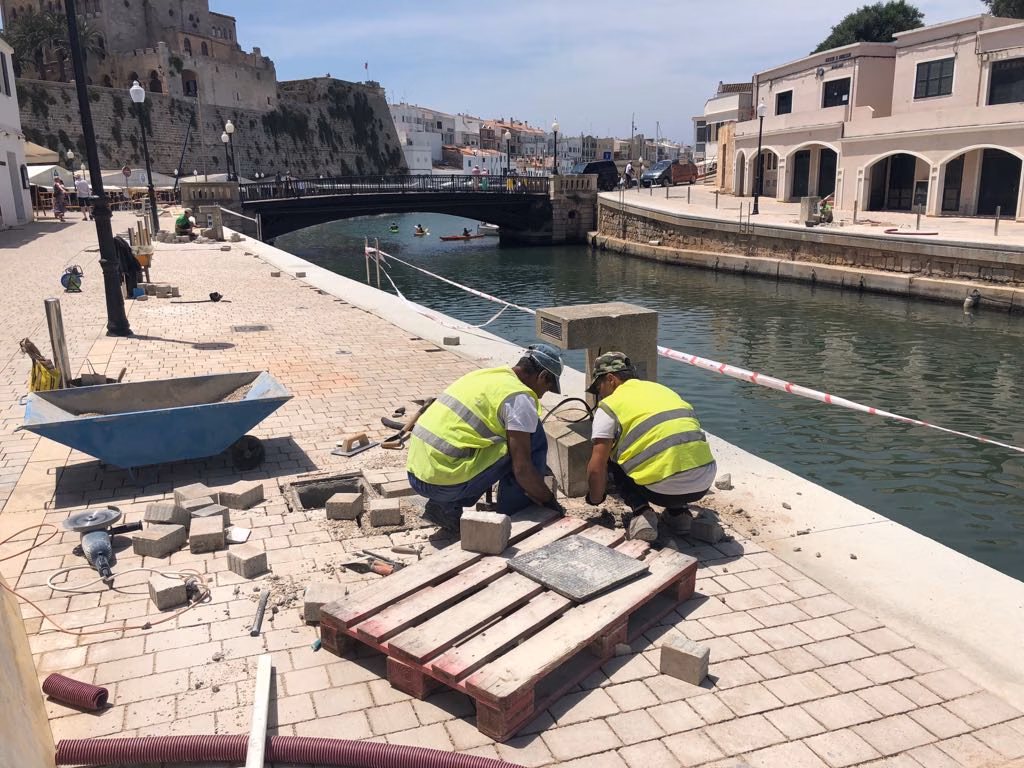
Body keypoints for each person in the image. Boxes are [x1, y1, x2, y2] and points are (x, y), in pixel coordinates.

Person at [407, 343, 566, 533]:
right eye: (547, 387)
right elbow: (522, 469)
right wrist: (549, 501)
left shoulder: (485, 376)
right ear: (543, 376)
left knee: (513, 439)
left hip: (417, 473)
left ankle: (446, 507)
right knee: (525, 446)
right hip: (440, 482)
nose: (543, 394)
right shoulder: (519, 398)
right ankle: (517, 517)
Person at [584, 352, 717, 542]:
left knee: (613, 458)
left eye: (599, 387)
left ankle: (642, 513)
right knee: (669, 453)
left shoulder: (610, 405)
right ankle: (679, 515)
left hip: (661, 490)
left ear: (611, 379)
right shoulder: (663, 390)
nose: (600, 394)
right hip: (703, 483)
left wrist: (595, 499)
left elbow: (597, 466)